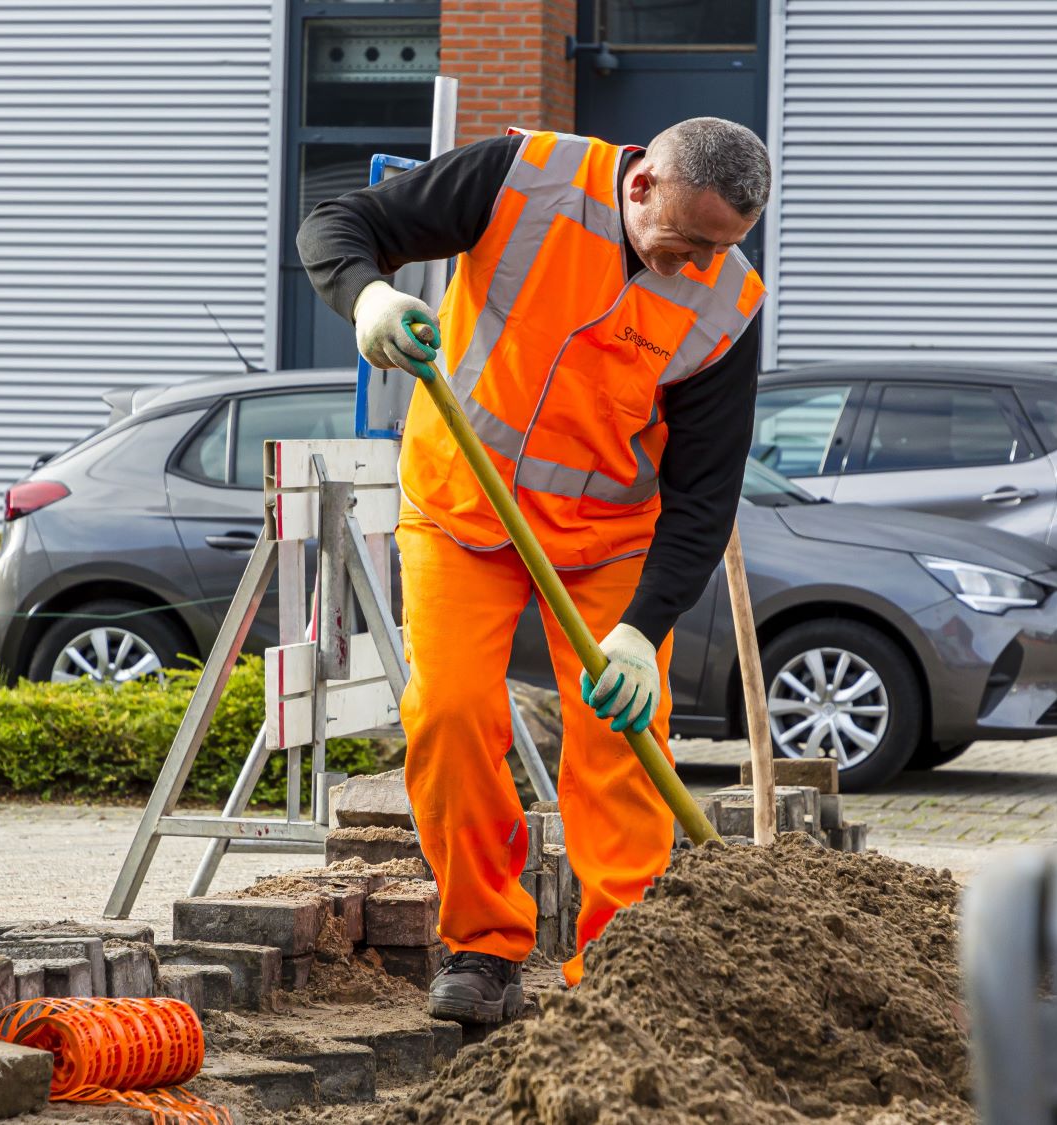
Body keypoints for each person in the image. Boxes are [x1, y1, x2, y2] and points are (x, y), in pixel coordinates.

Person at [298, 117, 770, 1024]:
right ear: (641, 187)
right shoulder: (525, 177)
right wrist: (367, 300)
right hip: (461, 506)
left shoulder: (728, 302)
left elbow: (705, 495)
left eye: (720, 248)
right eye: (684, 242)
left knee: (619, 742)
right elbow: (337, 226)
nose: (695, 266)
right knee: (450, 712)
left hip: (607, 541)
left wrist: (642, 628)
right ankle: (484, 948)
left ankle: (620, 966)